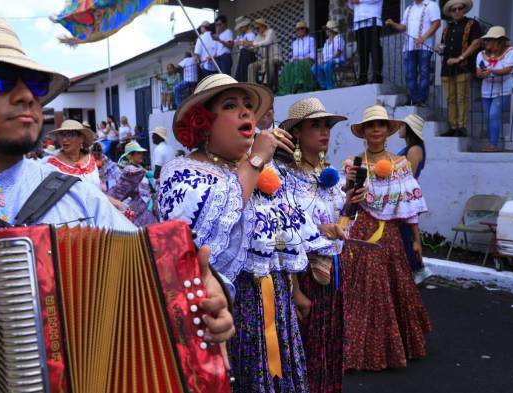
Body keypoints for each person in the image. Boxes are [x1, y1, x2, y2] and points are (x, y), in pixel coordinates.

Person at [0, 13, 234, 391]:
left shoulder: (79, 195)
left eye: (35, 84)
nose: (26, 95)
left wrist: (206, 299)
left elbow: (160, 282)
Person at [158, 74, 310, 391]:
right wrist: (254, 160)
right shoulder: (184, 172)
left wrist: (294, 290)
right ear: (203, 122)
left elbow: (279, 239)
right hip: (226, 312)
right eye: (231, 105)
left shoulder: (261, 171)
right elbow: (203, 240)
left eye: (248, 106)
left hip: (276, 304)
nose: (246, 113)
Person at [340, 105, 431, 371]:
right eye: (370, 126)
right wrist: (349, 185)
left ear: (387, 131)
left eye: (380, 125)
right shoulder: (352, 163)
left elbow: (408, 206)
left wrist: (416, 240)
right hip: (362, 232)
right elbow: (345, 198)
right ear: (364, 132)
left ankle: (392, 346)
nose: (376, 130)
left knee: (394, 287)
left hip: (390, 234)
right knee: (364, 289)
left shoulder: (400, 164)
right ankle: (360, 347)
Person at [279, 98, 352, 393]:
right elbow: (285, 236)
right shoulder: (286, 178)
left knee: (329, 341)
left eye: (326, 126)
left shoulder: (330, 175)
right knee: (307, 345)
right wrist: (295, 290)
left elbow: (340, 224)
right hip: (306, 275)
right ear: (297, 132)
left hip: (333, 271)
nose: (324, 132)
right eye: (315, 125)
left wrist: (350, 207)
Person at [397, 114, 433, 284]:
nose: (399, 129)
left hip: (406, 196)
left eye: (402, 126)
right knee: (405, 233)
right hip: (403, 194)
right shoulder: (412, 148)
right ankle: (416, 267)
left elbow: (407, 177)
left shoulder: (414, 150)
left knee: (408, 233)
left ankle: (418, 268)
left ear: (409, 129)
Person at [439, 0, 482, 137]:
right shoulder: (447, 28)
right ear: (450, 13)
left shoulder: (472, 24)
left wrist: (460, 58)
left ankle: (461, 126)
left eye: (459, 8)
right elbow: (442, 48)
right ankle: (453, 126)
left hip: (463, 66)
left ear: (464, 9)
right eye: (453, 9)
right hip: (447, 68)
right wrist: (440, 48)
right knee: (450, 99)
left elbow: (476, 43)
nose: (456, 11)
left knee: (462, 97)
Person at [386, 0, 441, 106]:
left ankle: (421, 100)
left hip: (425, 47)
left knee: (424, 74)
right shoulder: (409, 9)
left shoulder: (431, 5)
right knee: (409, 75)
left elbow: (436, 23)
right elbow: (403, 27)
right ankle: (417, 99)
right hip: (408, 47)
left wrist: (423, 38)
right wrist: (393, 23)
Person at [476, 26, 513, 152]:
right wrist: (483, 73)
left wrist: (491, 70)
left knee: (494, 114)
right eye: (486, 40)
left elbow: (508, 70)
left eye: (489, 40)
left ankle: (493, 144)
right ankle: (494, 142)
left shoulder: (510, 52)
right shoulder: (481, 54)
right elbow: (478, 73)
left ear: (498, 41)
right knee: (489, 116)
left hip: (502, 89)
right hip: (486, 90)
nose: (486, 42)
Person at [108, 141, 157, 226]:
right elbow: (120, 191)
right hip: (140, 209)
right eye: (138, 153)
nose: (141, 155)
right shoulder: (130, 171)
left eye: (141, 153)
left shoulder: (139, 168)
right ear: (130, 156)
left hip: (147, 207)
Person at [44, 120, 101, 189]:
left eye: (70, 135)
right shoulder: (52, 166)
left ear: (81, 138)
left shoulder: (90, 159)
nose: (64, 139)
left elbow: (99, 191)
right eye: (62, 135)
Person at [348, 0, 384, 84]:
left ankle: (376, 77)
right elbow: (352, 7)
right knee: (362, 53)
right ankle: (363, 78)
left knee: (374, 50)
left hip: (372, 22)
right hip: (359, 24)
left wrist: (359, 0)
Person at [278, 21, 317, 95]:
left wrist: (301, 58)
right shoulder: (294, 43)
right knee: (287, 66)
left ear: (305, 30)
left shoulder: (311, 40)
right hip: (298, 61)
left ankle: (300, 86)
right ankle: (287, 88)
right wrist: (296, 59)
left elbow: (312, 54)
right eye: (297, 29)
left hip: (308, 61)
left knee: (299, 65)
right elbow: (294, 56)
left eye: (301, 28)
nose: (299, 31)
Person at [248, 18, 282, 90]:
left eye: (258, 28)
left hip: (275, 58)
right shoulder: (258, 36)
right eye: (256, 28)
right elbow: (253, 48)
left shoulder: (270, 31)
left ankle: (267, 85)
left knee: (270, 62)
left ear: (263, 26)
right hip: (264, 59)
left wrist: (254, 44)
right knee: (251, 66)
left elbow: (267, 42)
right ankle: (253, 87)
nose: (257, 30)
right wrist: (247, 45)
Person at [312, 21, 346, 90]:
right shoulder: (326, 42)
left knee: (326, 66)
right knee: (314, 67)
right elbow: (323, 54)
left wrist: (327, 60)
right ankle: (324, 86)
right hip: (327, 61)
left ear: (331, 30)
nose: (326, 31)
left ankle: (330, 87)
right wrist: (321, 60)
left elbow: (338, 53)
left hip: (338, 60)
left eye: (327, 29)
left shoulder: (339, 38)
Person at [234, 17, 256, 82]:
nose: (240, 29)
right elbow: (236, 44)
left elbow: (252, 46)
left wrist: (243, 43)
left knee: (245, 72)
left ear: (245, 26)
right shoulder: (241, 36)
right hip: (242, 56)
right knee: (241, 72)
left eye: (241, 27)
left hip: (248, 56)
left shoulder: (251, 34)